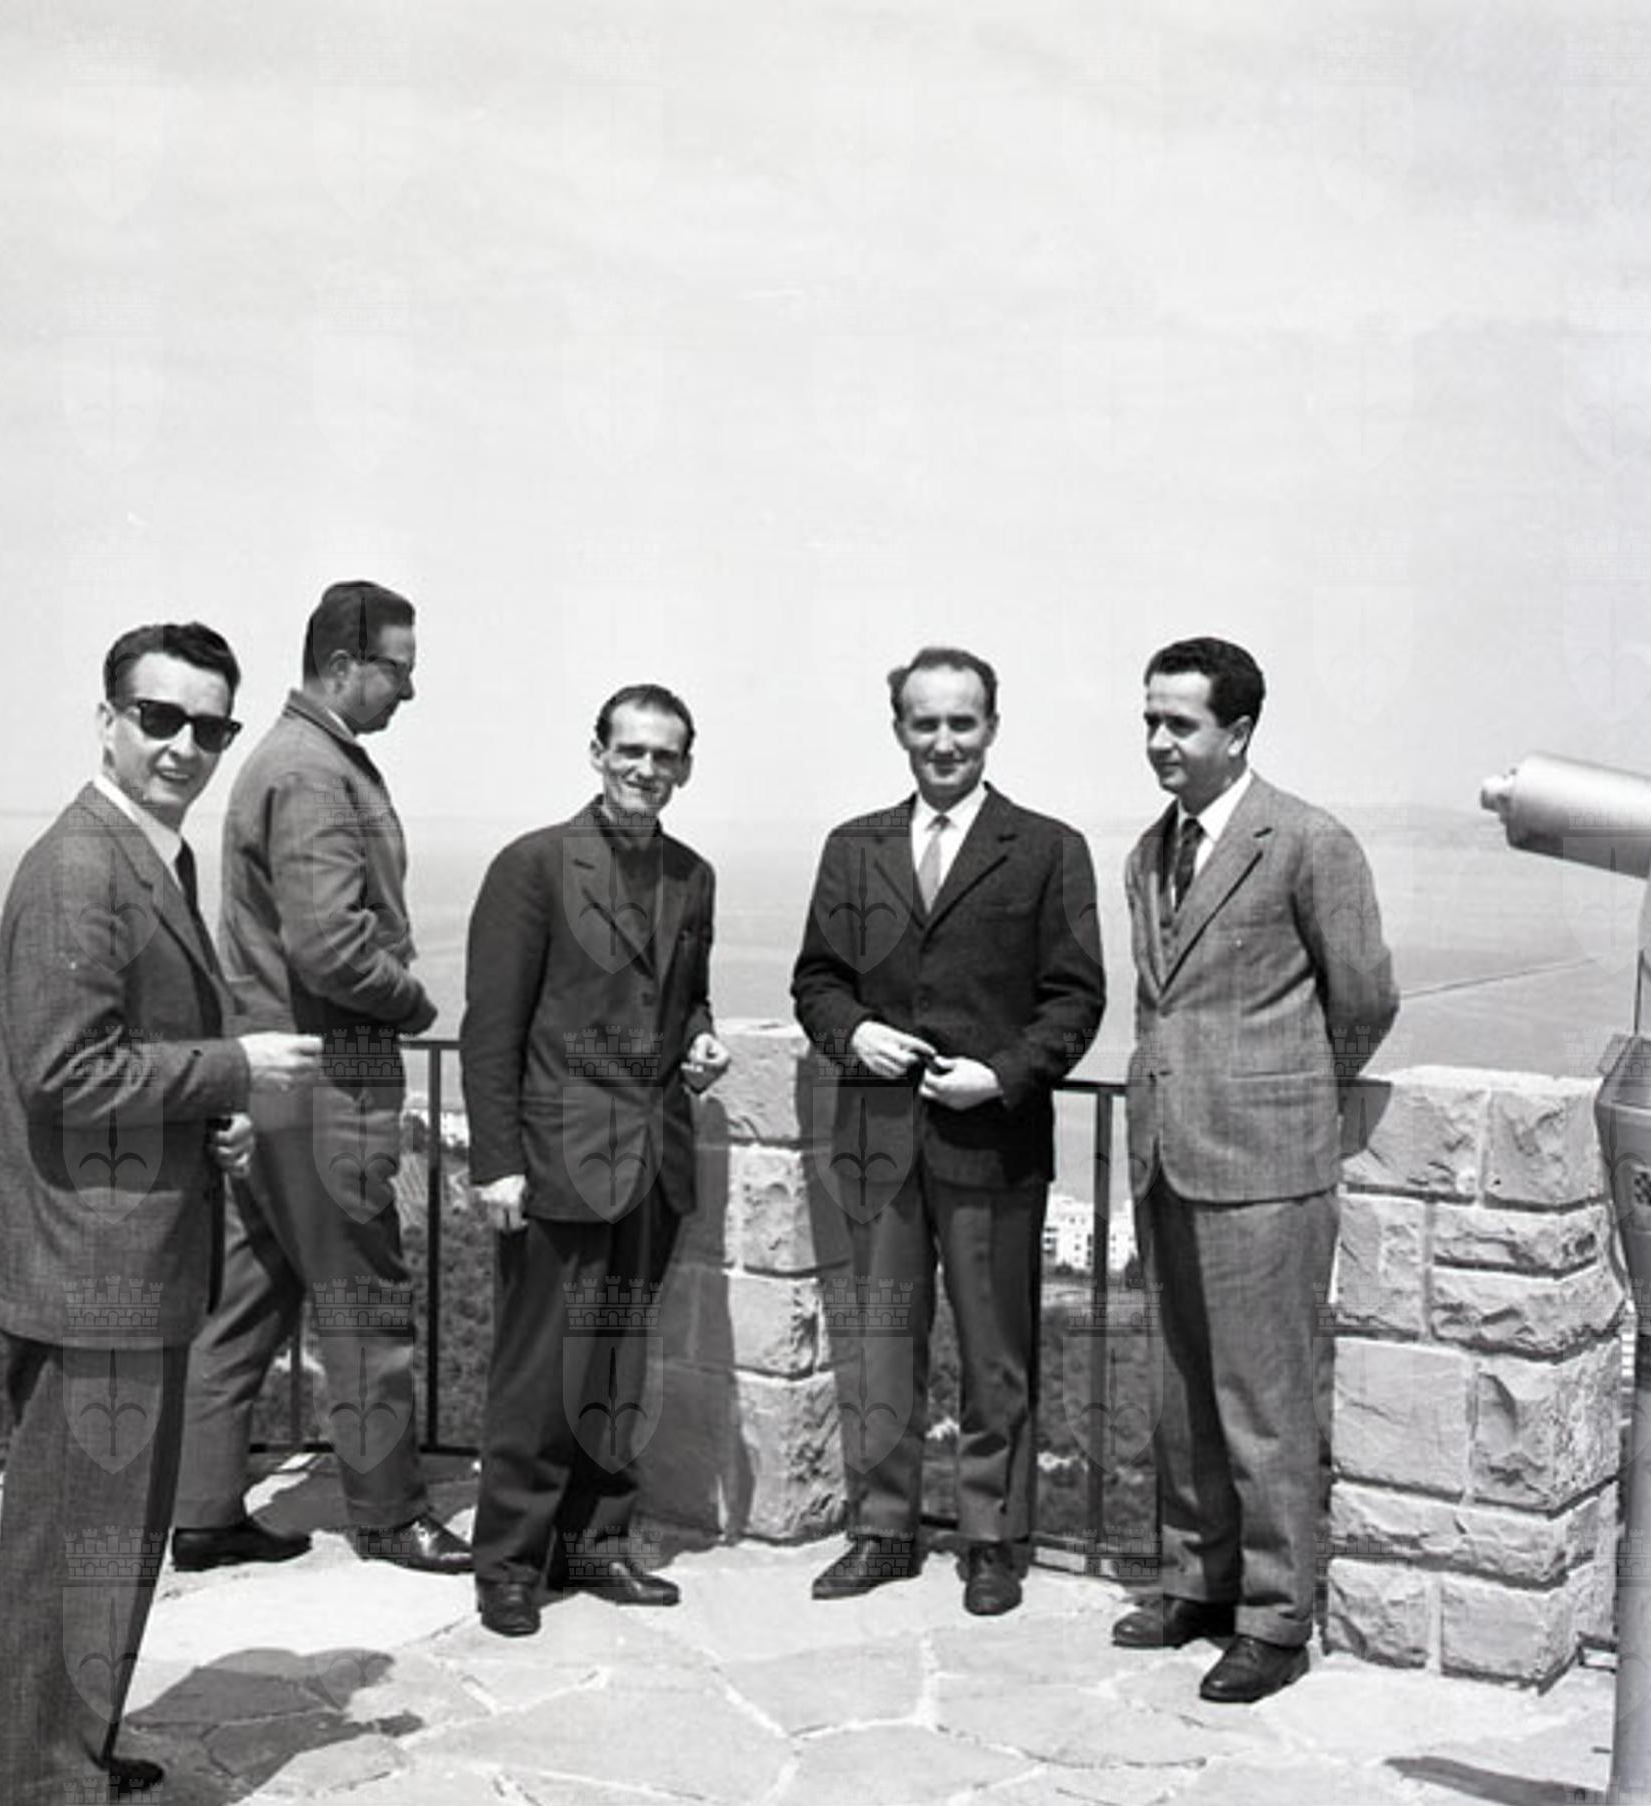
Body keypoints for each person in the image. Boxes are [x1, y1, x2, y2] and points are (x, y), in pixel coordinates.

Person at [0, 622, 319, 1806]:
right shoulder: (81, 865)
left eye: (209, 726)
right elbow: (64, 1072)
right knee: (77, 1546)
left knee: (111, 1542)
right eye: (159, 717)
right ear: (108, 719)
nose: (184, 746)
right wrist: (236, 1068)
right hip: (93, 1268)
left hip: (125, 1254)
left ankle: (69, 1755)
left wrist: (209, 1112)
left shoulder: (146, 852)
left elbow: (125, 1056)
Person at [792, 648, 1105, 1616]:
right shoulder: (853, 847)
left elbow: (1075, 997)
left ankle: (991, 1540)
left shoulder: (1047, 848)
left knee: (994, 1350)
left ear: (991, 728)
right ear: (899, 729)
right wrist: (853, 1032)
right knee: (884, 1340)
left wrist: (1000, 1076)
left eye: (961, 722)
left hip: (992, 1142)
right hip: (878, 1141)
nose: (943, 741)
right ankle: (883, 1529)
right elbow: (817, 979)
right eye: (924, 722)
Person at [1113, 635, 1397, 1701]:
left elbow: (1362, 997)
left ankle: (1276, 1619)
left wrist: (1290, 1097)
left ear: (1236, 731)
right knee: (1181, 1387)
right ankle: (1197, 1580)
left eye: (1179, 722)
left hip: (1267, 1166)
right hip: (1167, 1155)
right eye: (1149, 719)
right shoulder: (1147, 853)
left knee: (1265, 1399)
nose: (1158, 740)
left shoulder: (1309, 841)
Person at [173, 581, 469, 1578]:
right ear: (343, 666)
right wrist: (412, 1003)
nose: (409, 691)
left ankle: (202, 1509)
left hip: (271, 1080)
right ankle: (387, 1513)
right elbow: (332, 948)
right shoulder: (312, 773)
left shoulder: (293, 758)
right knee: (366, 1304)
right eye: (398, 669)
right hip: (329, 1079)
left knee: (247, 1298)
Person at [461, 685, 729, 1638]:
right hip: (556, 1163)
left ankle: (595, 1543)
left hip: (652, 1161)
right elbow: (490, 1028)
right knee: (539, 1372)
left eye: (665, 755)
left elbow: (683, 999)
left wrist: (698, 1041)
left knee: (617, 1366)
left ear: (685, 766)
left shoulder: (693, 875)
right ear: (597, 752)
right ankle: (508, 1563)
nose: (646, 769)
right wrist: (496, 1163)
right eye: (631, 751)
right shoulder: (531, 865)